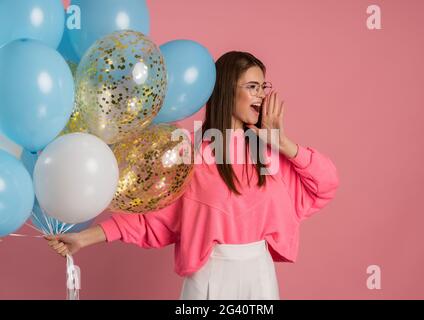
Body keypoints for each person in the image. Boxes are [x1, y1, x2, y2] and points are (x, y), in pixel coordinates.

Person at [46, 51, 339, 300]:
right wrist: (83, 238)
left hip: (259, 277)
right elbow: (151, 216)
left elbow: (325, 184)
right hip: (209, 275)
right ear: (227, 90)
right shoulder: (191, 152)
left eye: (263, 87)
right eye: (252, 86)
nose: (261, 95)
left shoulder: (271, 152)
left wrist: (284, 143)